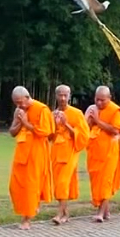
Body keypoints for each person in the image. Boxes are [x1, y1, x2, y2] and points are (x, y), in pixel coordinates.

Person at [6, 86, 54, 229]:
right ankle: (30, 208)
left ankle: (26, 219)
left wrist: (27, 123)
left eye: (21, 102)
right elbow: (12, 132)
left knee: (31, 186)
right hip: (21, 151)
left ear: (28, 97)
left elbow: (46, 132)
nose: (19, 105)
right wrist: (20, 121)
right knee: (14, 186)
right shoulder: (19, 111)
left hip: (36, 152)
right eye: (16, 103)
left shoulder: (42, 109)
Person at [49, 85, 90, 225]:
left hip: (71, 150)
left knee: (63, 182)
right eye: (60, 95)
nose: (62, 98)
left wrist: (66, 124)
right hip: (56, 150)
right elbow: (50, 137)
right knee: (58, 183)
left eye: (65, 95)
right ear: (56, 96)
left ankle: (59, 214)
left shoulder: (77, 113)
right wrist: (54, 124)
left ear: (69, 96)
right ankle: (66, 214)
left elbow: (83, 135)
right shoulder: (52, 114)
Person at [85, 86, 120, 223]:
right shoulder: (93, 109)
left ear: (109, 98)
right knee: (96, 181)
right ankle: (107, 211)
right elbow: (87, 127)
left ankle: (101, 213)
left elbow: (115, 130)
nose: (99, 103)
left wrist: (97, 121)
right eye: (97, 99)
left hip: (109, 152)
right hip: (95, 151)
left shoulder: (115, 111)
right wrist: (90, 121)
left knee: (105, 182)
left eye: (102, 100)